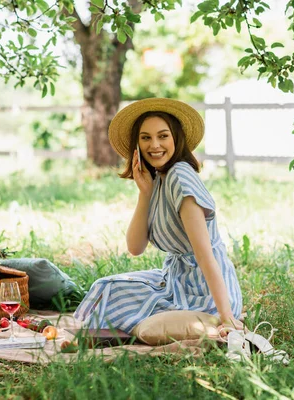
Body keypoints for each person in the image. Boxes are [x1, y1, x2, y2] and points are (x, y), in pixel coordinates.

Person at [73, 98, 245, 334]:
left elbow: (205, 256)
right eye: (146, 138)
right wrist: (145, 193)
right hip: (175, 282)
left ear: (176, 138)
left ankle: (217, 326)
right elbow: (135, 247)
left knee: (147, 330)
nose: (154, 145)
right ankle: (168, 324)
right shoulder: (160, 179)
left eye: (163, 136)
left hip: (205, 293)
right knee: (107, 288)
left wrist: (227, 317)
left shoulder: (180, 177)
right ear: (137, 144)